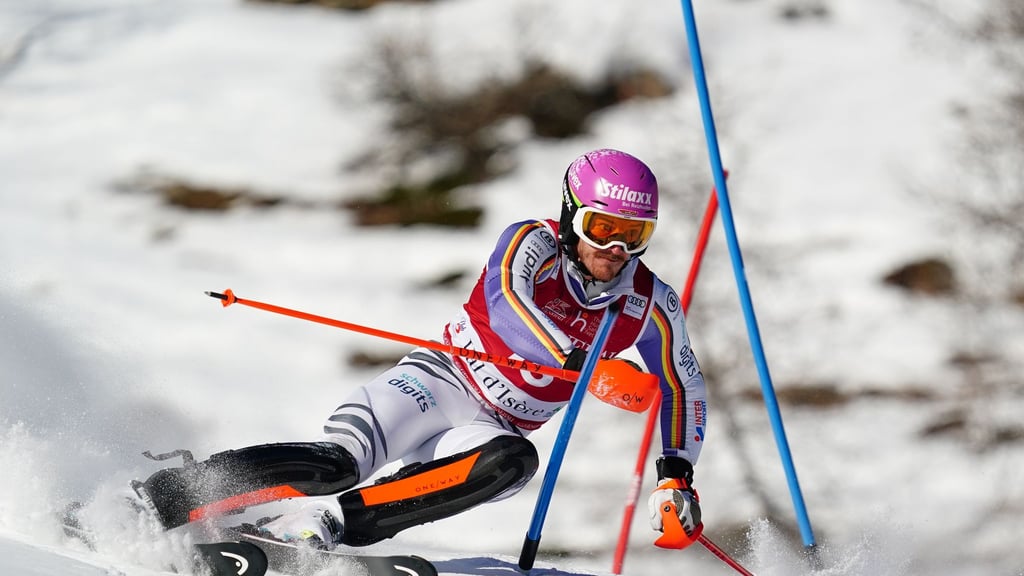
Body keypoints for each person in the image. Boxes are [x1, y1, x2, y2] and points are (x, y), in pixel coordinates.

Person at [135, 148, 708, 551]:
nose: (613, 248)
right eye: (600, 226)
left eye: (633, 235)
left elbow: (684, 385)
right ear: (569, 215)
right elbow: (508, 303)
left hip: (491, 427)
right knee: (336, 463)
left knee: (512, 464)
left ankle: (325, 524)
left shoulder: (650, 301)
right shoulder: (529, 242)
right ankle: (166, 496)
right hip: (436, 385)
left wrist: (675, 477)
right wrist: (581, 364)